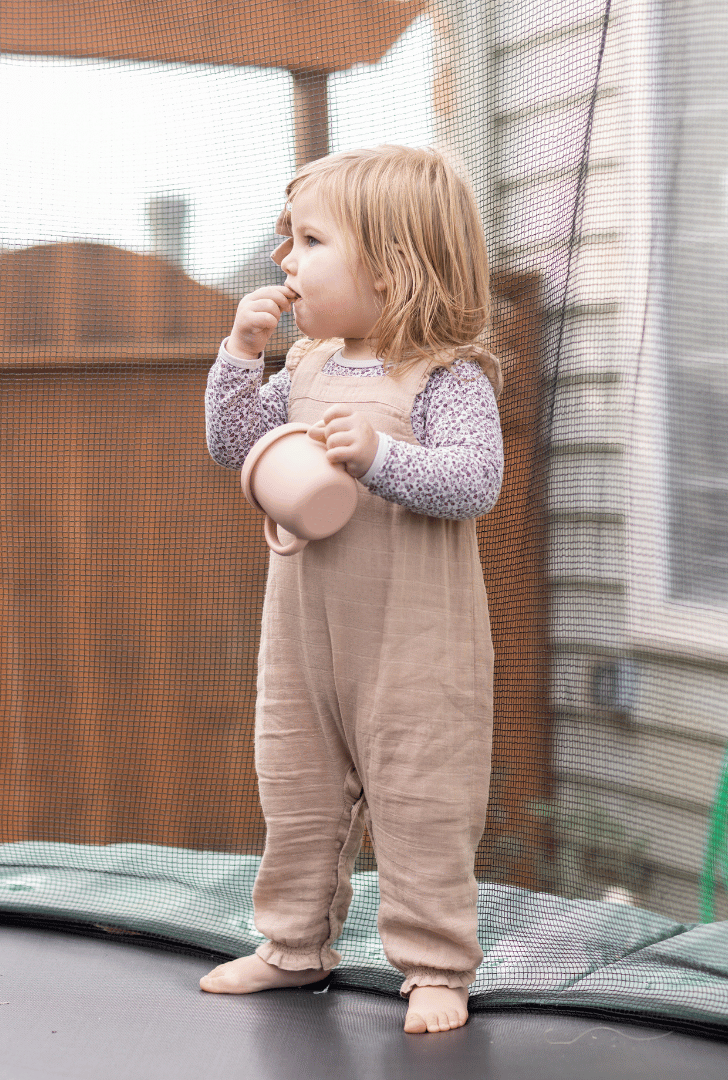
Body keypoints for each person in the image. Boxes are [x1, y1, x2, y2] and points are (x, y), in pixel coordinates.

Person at [201, 145, 503, 1035]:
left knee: (422, 802)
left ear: (392, 261)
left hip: (417, 647)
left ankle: (436, 967)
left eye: (308, 240)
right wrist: (239, 354)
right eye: (285, 239)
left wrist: (377, 457)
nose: (282, 261)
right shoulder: (302, 364)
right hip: (301, 643)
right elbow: (235, 447)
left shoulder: (446, 375)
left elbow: (475, 482)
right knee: (294, 789)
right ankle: (293, 947)